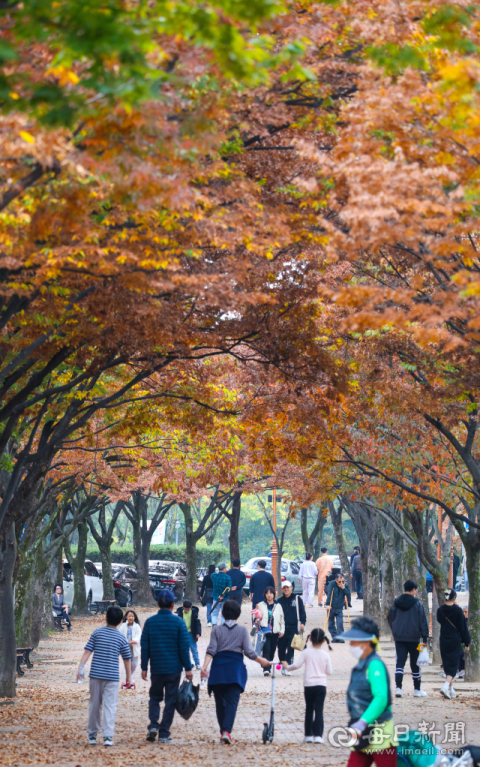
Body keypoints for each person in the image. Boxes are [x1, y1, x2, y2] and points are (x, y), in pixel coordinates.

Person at [200, 599, 271, 744]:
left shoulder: (217, 630)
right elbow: (249, 652)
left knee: (220, 703)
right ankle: (227, 731)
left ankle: (223, 732)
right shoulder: (242, 631)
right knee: (232, 702)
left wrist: (204, 667)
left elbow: (211, 650)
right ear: (238, 615)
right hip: (234, 671)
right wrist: (261, 661)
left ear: (223, 613)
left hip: (218, 670)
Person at [339, 617, 396, 767]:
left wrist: (363, 722)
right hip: (361, 733)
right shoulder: (361, 665)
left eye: (354, 641)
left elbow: (381, 698)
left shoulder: (375, 665)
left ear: (366, 643)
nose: (351, 645)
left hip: (379, 732)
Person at [141, 589, 193, 744]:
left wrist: (144, 666)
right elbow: (184, 647)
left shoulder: (150, 622)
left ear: (157, 604)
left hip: (156, 668)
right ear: (172, 605)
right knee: (170, 700)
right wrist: (188, 668)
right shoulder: (179, 622)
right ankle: (164, 733)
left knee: (155, 697)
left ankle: (153, 725)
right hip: (173, 669)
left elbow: (145, 646)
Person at [77, 605, 132, 747]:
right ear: (121, 621)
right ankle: (108, 736)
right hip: (112, 676)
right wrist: (128, 678)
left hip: (96, 675)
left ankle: (92, 734)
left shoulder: (97, 633)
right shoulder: (121, 637)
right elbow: (127, 659)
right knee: (110, 706)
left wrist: (81, 670)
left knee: (95, 704)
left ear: (105, 618)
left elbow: (87, 653)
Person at [282, 627, 332, 743]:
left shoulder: (306, 652)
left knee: (309, 709)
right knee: (319, 710)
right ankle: (318, 736)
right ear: (324, 640)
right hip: (321, 685)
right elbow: (329, 671)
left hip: (309, 685)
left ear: (310, 640)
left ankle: (308, 735)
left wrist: (287, 666)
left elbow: (297, 665)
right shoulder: (325, 655)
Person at [387, 579, 429, 698]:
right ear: (413, 589)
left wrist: (395, 630)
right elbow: (422, 620)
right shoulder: (417, 603)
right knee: (415, 664)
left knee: (400, 662)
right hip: (414, 637)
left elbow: (390, 617)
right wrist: (425, 637)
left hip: (399, 637)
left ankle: (398, 688)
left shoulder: (396, 602)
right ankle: (417, 689)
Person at [437, 588, 470, 699]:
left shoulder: (440, 610)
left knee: (447, 663)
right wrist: (466, 642)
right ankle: (445, 686)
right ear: (454, 597)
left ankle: (451, 690)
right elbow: (463, 628)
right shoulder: (458, 610)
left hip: (443, 639)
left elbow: (440, 621)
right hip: (454, 640)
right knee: (453, 665)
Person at [277, 580, 306, 674]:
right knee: (281, 649)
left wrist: (303, 623)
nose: (286, 589)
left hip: (294, 628)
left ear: (291, 588)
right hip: (282, 629)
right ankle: (284, 664)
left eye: (287, 587)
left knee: (290, 648)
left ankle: (288, 666)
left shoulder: (297, 599)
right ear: (282, 589)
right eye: (284, 588)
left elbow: (302, 612)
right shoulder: (279, 601)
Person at [254, 586, 285, 674]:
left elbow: (282, 619)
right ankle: (266, 669)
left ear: (274, 595)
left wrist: (282, 630)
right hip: (264, 630)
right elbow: (255, 616)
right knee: (266, 648)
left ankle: (268, 663)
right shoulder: (260, 604)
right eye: (267, 593)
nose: (269, 595)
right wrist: (255, 621)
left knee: (272, 649)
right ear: (265, 595)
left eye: (271, 593)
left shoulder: (278, 605)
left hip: (275, 631)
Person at [176, 599, 202, 671]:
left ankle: (197, 663)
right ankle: (188, 663)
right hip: (182, 634)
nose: (186, 610)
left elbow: (197, 624)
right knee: (184, 649)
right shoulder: (180, 614)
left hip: (191, 633)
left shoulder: (194, 614)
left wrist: (198, 633)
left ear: (191, 607)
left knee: (194, 649)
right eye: (185, 609)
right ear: (182, 607)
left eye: (188, 609)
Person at [326, 572, 351, 643]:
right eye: (339, 581)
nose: (341, 583)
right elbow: (329, 594)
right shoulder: (332, 584)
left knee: (340, 623)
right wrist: (328, 604)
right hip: (331, 607)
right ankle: (335, 637)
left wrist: (344, 588)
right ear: (336, 580)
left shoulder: (345, 585)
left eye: (343, 581)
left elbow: (348, 595)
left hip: (339, 608)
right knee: (331, 623)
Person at [119, 610, 142, 678]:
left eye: (132, 616)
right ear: (126, 617)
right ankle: (129, 678)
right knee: (128, 663)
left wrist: (134, 640)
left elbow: (138, 635)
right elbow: (121, 634)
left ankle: (128, 677)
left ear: (134, 617)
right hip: (126, 647)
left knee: (134, 664)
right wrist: (125, 641)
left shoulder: (137, 626)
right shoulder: (123, 626)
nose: (131, 618)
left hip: (135, 647)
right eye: (129, 616)